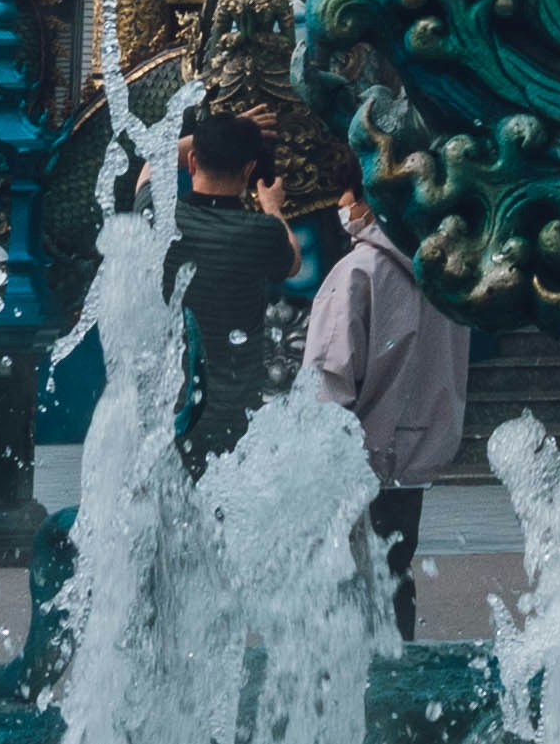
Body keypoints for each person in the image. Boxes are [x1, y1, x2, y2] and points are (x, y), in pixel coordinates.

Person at [305, 190, 474, 633]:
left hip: (359, 460)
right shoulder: (445, 277)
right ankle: (400, 680)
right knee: (394, 575)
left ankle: (359, 693)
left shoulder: (359, 272)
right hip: (416, 457)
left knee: (348, 588)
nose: (340, 202)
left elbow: (329, 377)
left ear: (369, 201)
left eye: (346, 191)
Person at [166, 109, 298, 466]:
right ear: (247, 170)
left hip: (171, 410)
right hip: (235, 415)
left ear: (191, 162)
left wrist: (211, 136)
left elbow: (153, 161)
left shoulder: (163, 220)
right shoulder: (262, 232)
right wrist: (273, 208)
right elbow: (293, 262)